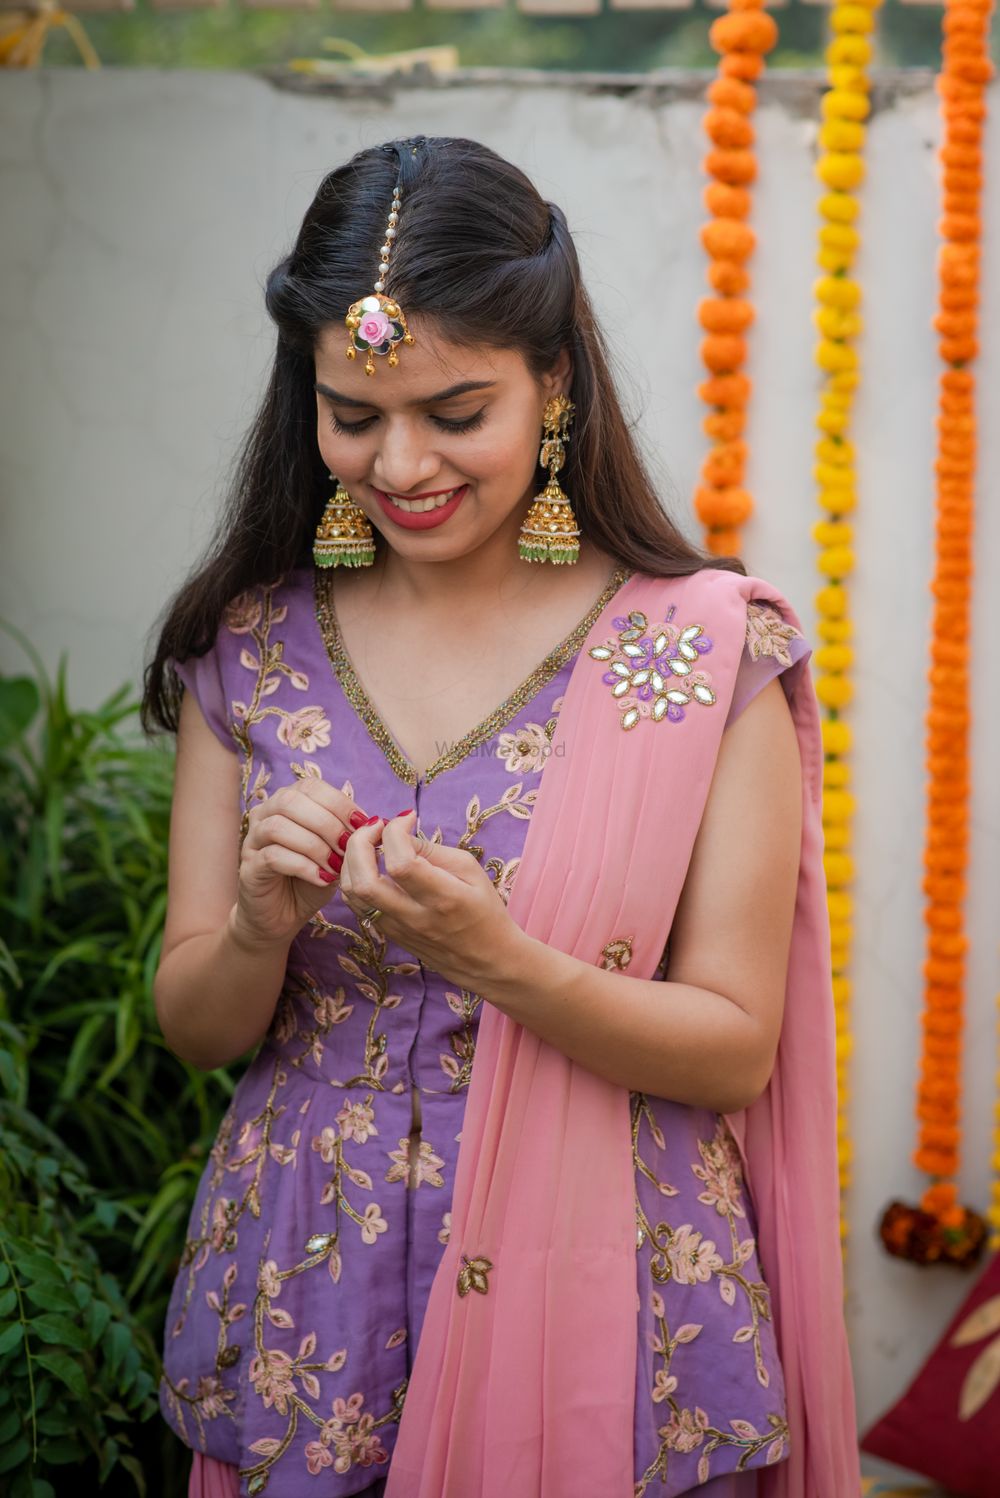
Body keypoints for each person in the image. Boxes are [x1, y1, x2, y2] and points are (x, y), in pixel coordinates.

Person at [142, 136, 859, 1497]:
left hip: (605, 1287)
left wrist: (502, 960)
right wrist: (254, 923)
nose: (398, 462)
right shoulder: (253, 647)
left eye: (455, 411)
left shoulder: (699, 654)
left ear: (556, 387)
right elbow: (195, 1019)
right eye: (352, 413)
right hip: (313, 1290)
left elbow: (730, 1050)